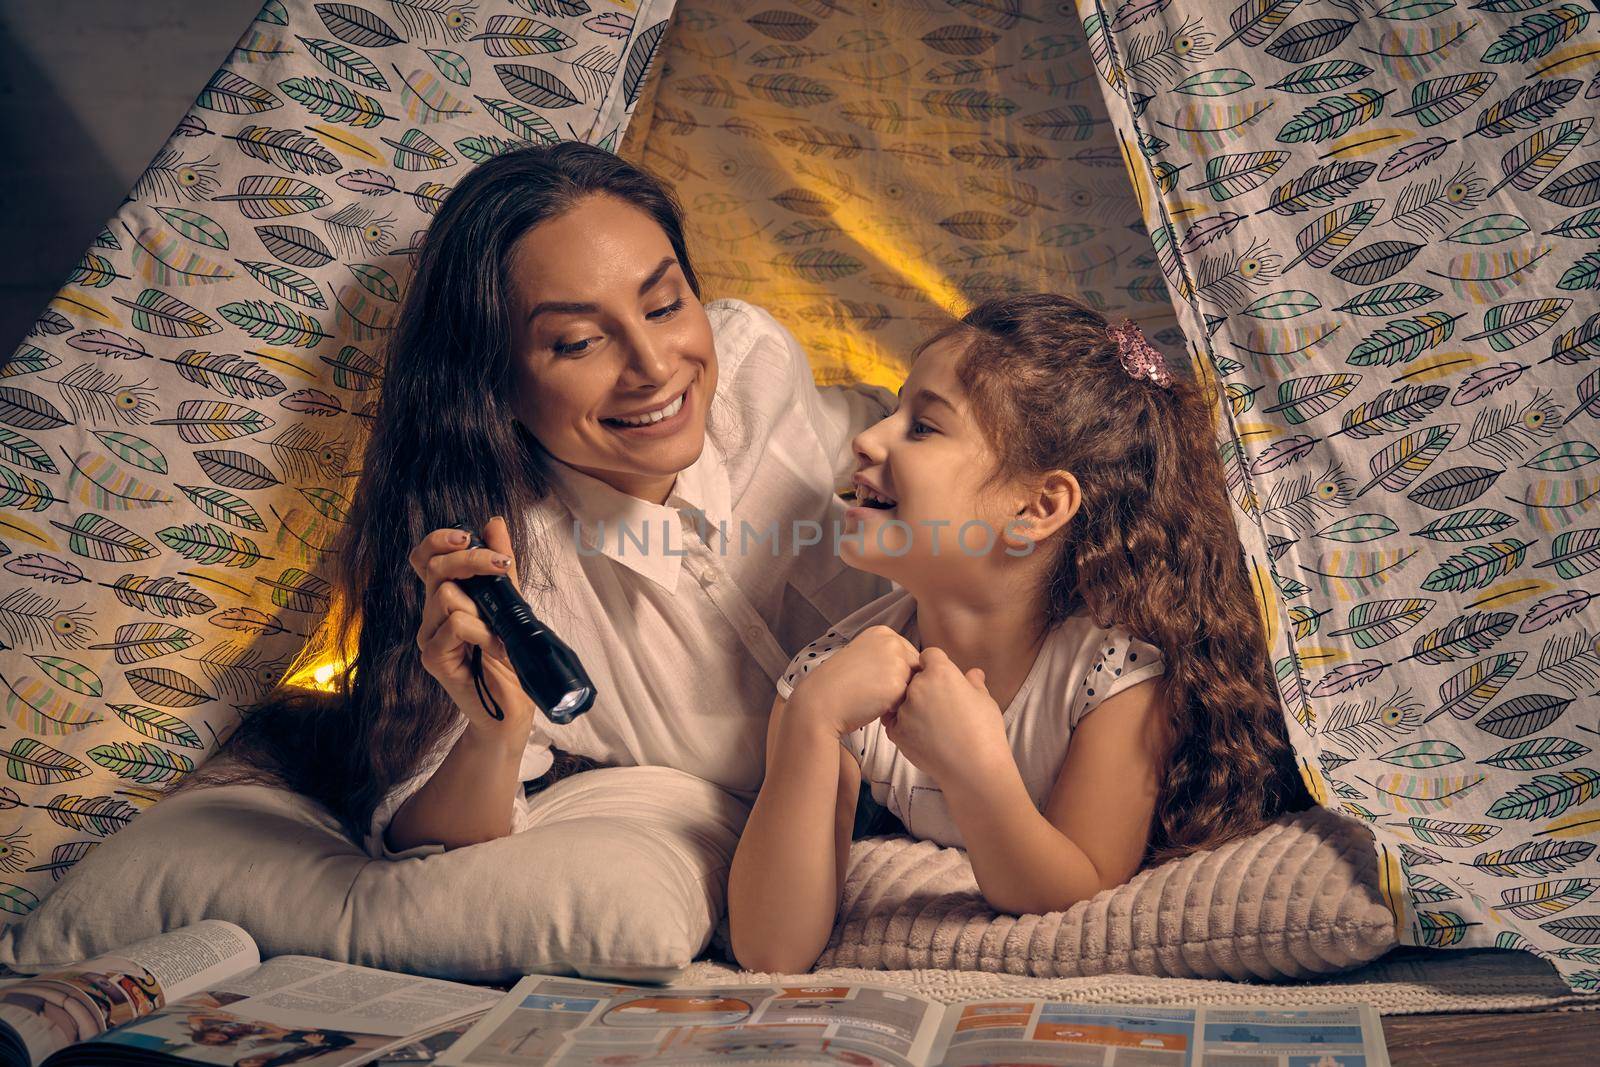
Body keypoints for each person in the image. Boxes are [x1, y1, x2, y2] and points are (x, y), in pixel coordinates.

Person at [190, 142, 893, 866]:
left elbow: (947, 445)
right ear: (494, 381)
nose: (654, 367)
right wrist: (496, 731)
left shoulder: (757, 368)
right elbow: (421, 836)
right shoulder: (505, 571)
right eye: (580, 342)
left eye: (663, 305)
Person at [727, 294, 1311, 973]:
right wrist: (811, 721)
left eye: (922, 428)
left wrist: (973, 768)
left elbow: (1075, 891)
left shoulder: (1116, 673)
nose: (868, 437)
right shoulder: (833, 680)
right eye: (894, 411)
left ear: (1038, 506)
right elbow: (772, 947)